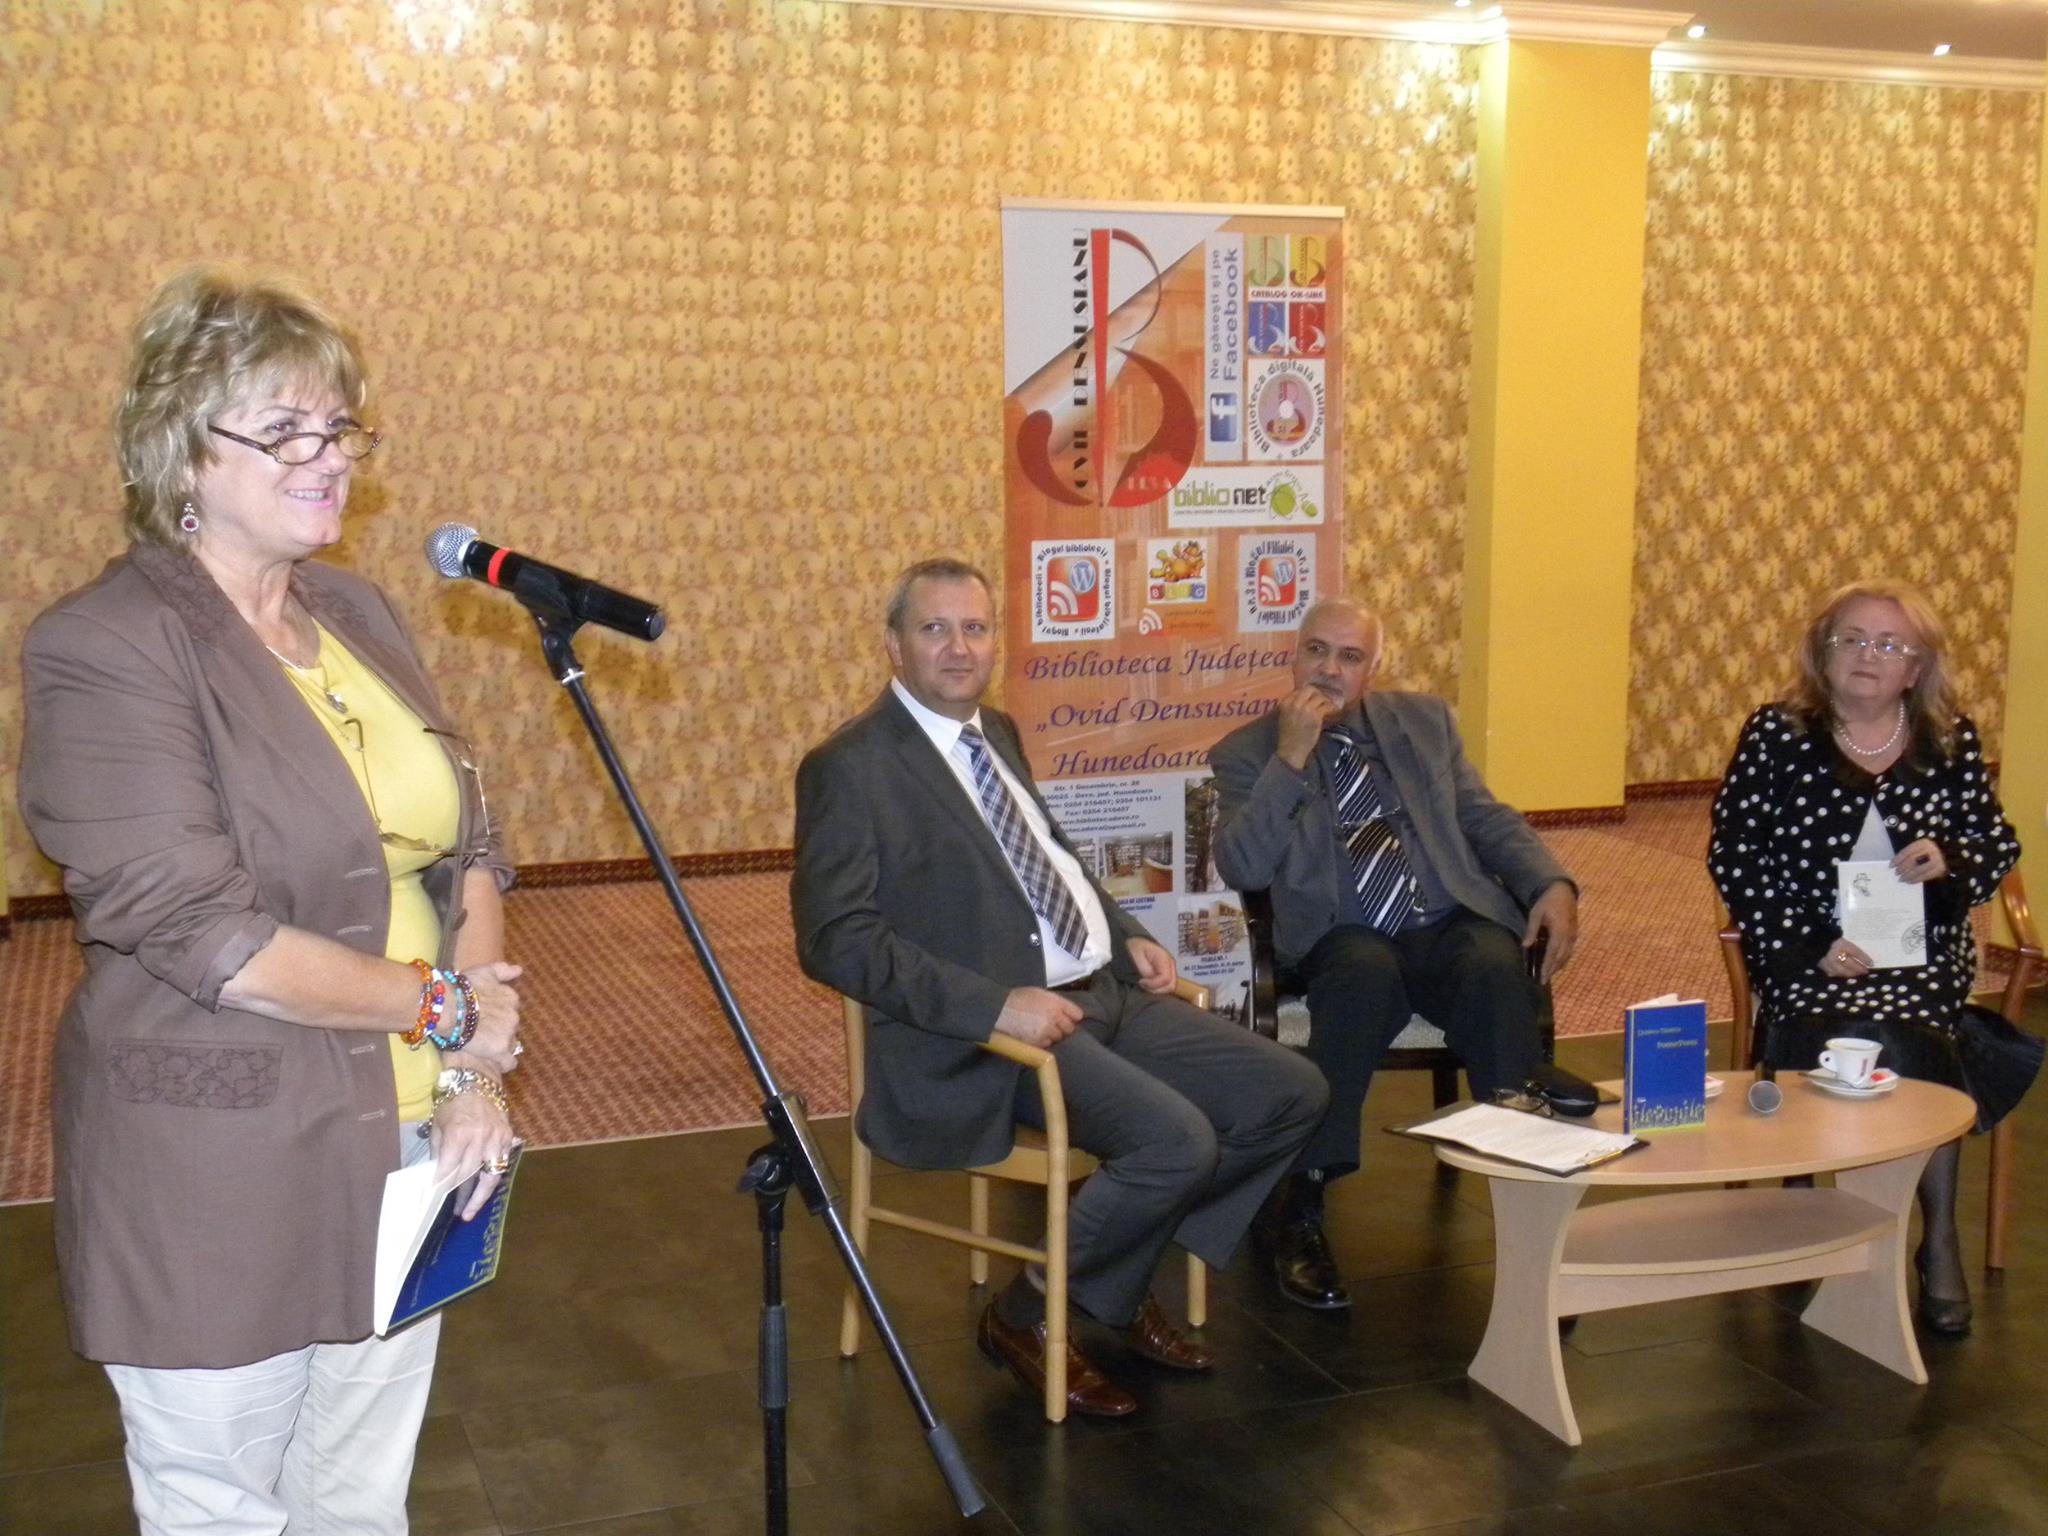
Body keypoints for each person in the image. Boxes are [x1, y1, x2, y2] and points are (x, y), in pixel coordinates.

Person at [17, 269, 524, 1534]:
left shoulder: (355, 610)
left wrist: (469, 1073)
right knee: (224, 1510)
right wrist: (447, 1011)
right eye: (286, 430)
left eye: (339, 426)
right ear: (180, 450)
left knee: (358, 1501)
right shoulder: (107, 645)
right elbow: (208, 935)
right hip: (220, 1163)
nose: (330, 456)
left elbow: (469, 845)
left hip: (404, 1146)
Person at [791, 558, 1327, 1417]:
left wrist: (1126, 934)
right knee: (1177, 1144)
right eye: (935, 629)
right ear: (893, 646)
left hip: (1096, 995)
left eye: (974, 628)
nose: (959, 648)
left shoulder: (995, 731)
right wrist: (995, 1004)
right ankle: (1028, 1314)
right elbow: (835, 941)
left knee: (1291, 1093)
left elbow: (1048, 860)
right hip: (983, 1039)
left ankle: (1108, 1271)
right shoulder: (850, 767)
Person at [1208, 597, 1577, 1309]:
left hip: (1442, 919)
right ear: (1293, 655)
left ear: (1372, 669)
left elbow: (1483, 816)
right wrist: (1291, 758)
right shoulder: (1248, 752)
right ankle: (1303, 1204)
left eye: (1349, 657)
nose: (1329, 669)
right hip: (1341, 934)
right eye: (1317, 650)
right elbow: (1243, 866)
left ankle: (1529, 1202)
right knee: (1363, 975)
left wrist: (1549, 881)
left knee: (1495, 964)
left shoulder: (1425, 722)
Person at [1709, 580, 2029, 1336]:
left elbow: (1995, 843)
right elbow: (1735, 853)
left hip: (1919, 954)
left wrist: (1948, 859)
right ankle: (1810, 1215)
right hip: (1808, 950)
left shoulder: (1949, 739)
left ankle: (1937, 1236)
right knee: (1844, 1025)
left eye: (1889, 644)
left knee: (1910, 1035)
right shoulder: (1779, 733)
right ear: (1822, 655)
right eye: (1850, 639)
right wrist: (1808, 946)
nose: (1867, 655)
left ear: (1916, 668)